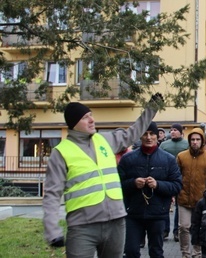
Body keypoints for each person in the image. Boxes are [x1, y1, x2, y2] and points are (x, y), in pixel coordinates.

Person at [42, 95, 161, 258]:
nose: (91, 120)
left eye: (91, 115)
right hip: (82, 227)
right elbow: (52, 194)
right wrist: (52, 229)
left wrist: (151, 109)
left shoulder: (104, 139)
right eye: (85, 117)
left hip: (116, 223)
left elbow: (132, 133)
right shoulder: (61, 152)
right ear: (74, 124)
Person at [118, 122, 183, 258]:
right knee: (130, 251)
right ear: (140, 136)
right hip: (133, 213)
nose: (148, 137)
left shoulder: (168, 159)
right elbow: (118, 185)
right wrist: (133, 183)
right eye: (145, 134)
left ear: (157, 136)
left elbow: (177, 185)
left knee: (156, 252)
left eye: (152, 134)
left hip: (158, 214)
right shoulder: (128, 159)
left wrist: (158, 185)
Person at [176, 128, 206, 258]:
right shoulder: (181, 156)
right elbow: (176, 176)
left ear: (202, 141)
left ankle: (197, 253)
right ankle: (185, 253)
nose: (195, 142)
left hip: (202, 199)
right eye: (192, 139)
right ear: (189, 141)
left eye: (198, 139)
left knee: (200, 227)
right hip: (184, 198)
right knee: (184, 227)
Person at [159, 123, 189, 242]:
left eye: (175, 130)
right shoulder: (164, 145)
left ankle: (177, 231)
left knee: (178, 206)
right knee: (165, 205)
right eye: (171, 130)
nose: (172, 132)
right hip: (166, 179)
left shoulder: (186, 144)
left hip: (181, 178)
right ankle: (165, 231)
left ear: (181, 132)